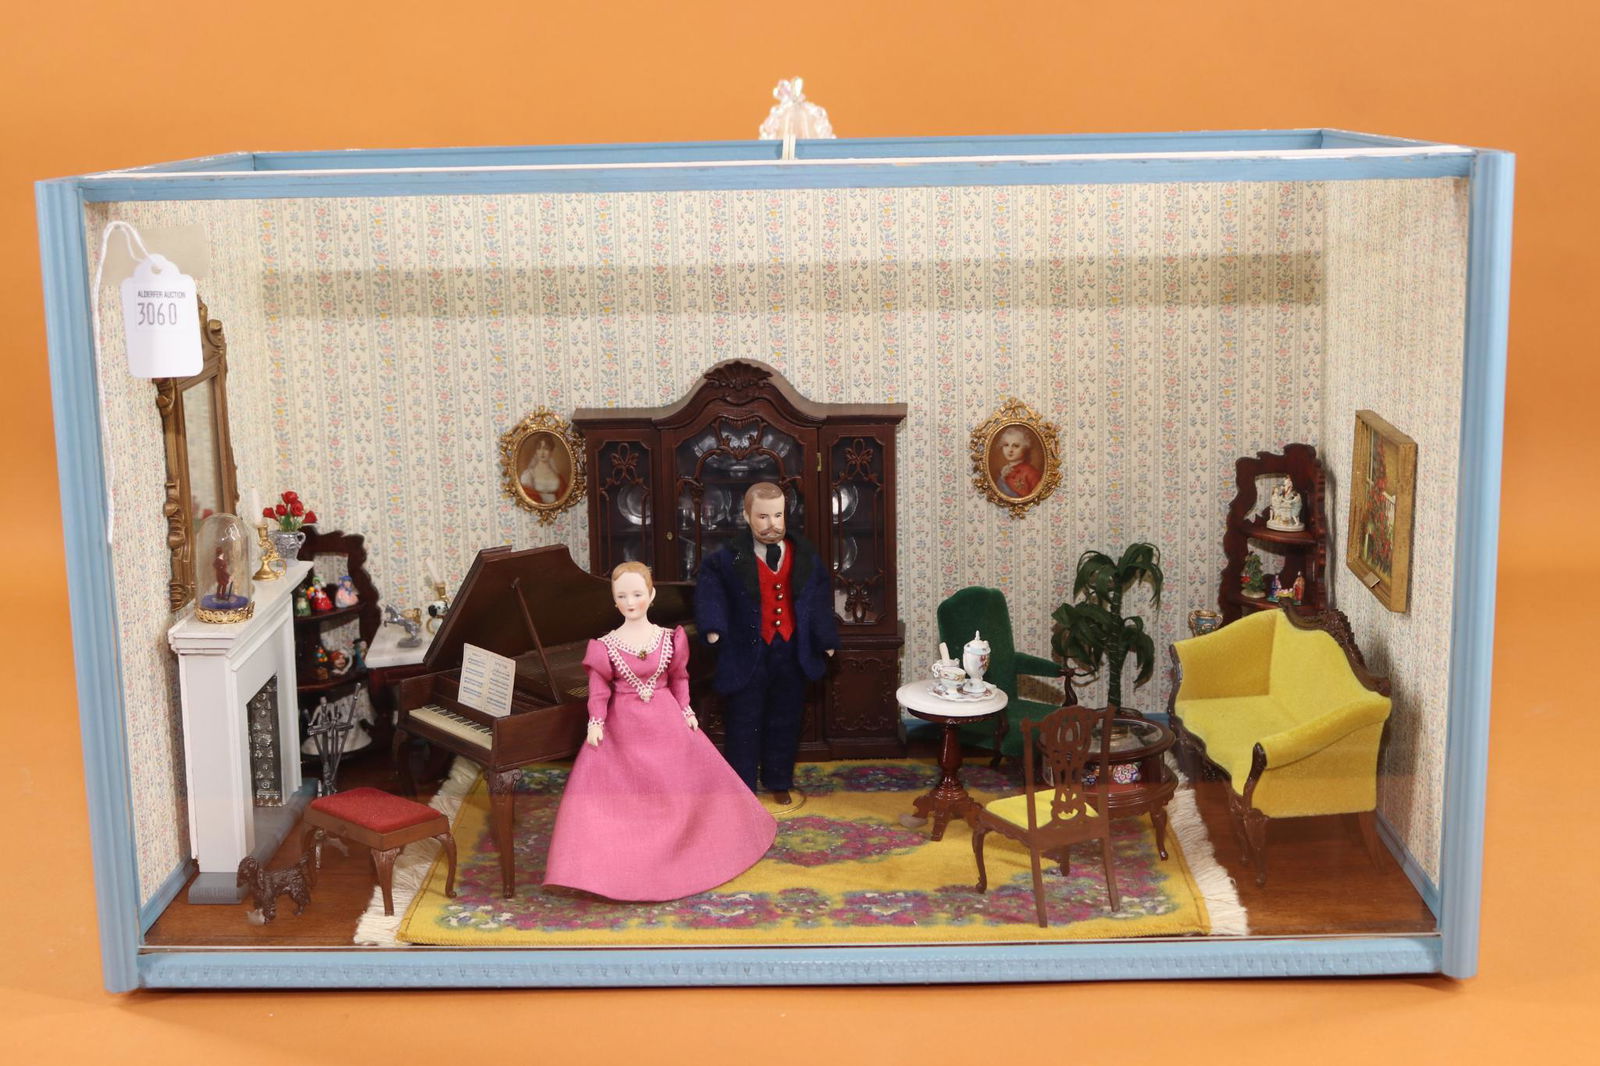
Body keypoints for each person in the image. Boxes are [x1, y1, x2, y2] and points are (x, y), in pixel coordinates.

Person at [543, 562, 775, 901]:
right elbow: (599, 690)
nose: (630, 602)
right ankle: (624, 862)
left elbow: (680, 678)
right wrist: (596, 721)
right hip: (625, 726)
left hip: (666, 721)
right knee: (621, 790)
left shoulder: (669, 638)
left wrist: (686, 710)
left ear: (651, 596)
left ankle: (689, 852)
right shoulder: (605, 645)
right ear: (614, 601)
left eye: (637, 594)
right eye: (622, 596)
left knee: (682, 783)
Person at [695, 482, 838, 800]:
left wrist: (825, 637)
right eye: (762, 516)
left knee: (786, 718)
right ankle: (743, 787)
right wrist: (713, 625)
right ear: (746, 516)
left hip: (791, 649)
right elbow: (710, 589)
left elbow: (817, 601)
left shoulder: (804, 556)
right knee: (743, 721)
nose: (772, 524)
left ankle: (778, 780)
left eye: (778, 515)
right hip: (748, 652)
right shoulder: (727, 558)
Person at [994, 426, 1041, 498]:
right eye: (1006, 445)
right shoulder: (1004, 471)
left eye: (1016, 446)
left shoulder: (1031, 473)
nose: (1010, 450)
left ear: (1025, 448)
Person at [520, 436, 566, 503]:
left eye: (546, 448)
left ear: (551, 451)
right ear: (536, 451)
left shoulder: (557, 475)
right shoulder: (529, 474)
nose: (542, 452)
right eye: (539, 448)